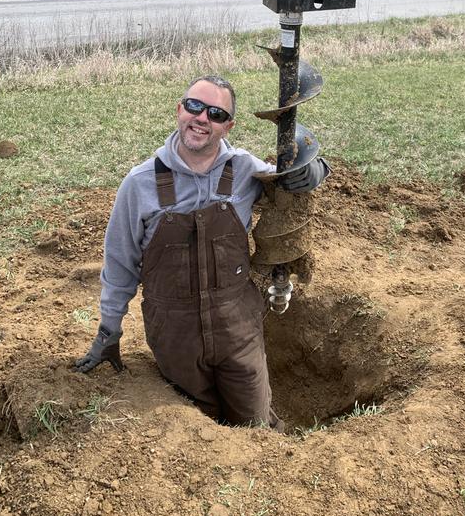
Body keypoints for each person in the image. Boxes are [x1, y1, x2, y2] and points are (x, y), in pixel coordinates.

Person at [75, 74, 328, 432]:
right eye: (194, 106)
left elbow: (290, 182)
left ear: (228, 126)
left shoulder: (243, 169)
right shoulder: (140, 183)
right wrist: (108, 331)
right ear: (179, 109)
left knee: (256, 424)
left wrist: (316, 169)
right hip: (176, 339)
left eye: (216, 113)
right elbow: (120, 264)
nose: (202, 118)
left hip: (237, 329)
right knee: (198, 432)